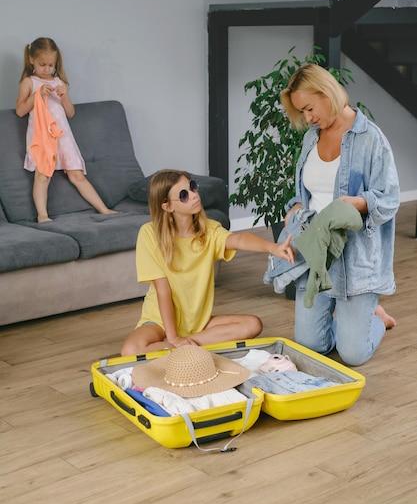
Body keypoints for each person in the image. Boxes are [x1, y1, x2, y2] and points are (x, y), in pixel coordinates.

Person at [280, 63, 399, 366]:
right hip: (315, 251)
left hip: (355, 260)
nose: (308, 118)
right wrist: (295, 205)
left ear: (326, 93)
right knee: (311, 346)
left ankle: (375, 319)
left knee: (353, 355)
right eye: (302, 113)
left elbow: (390, 199)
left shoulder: (370, 138)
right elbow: (306, 191)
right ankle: (349, 324)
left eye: (309, 108)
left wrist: (358, 203)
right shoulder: (311, 138)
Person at [121, 169, 295, 355]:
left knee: (252, 325)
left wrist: (273, 248)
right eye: (183, 195)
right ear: (167, 207)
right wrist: (172, 337)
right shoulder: (149, 234)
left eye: (193, 187)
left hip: (198, 323)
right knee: (130, 350)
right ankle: (179, 345)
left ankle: (180, 347)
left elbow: (239, 239)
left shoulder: (209, 231)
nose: (194, 195)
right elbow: (163, 290)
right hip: (160, 322)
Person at [16, 37, 117, 222]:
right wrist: (36, 96)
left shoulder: (59, 82)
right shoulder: (29, 82)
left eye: (51, 65)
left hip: (63, 136)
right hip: (43, 136)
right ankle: (42, 215)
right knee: (42, 175)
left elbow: (70, 113)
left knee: (77, 174)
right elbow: (20, 110)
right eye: (42, 64)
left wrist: (65, 98)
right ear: (31, 60)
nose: (47, 69)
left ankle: (104, 209)